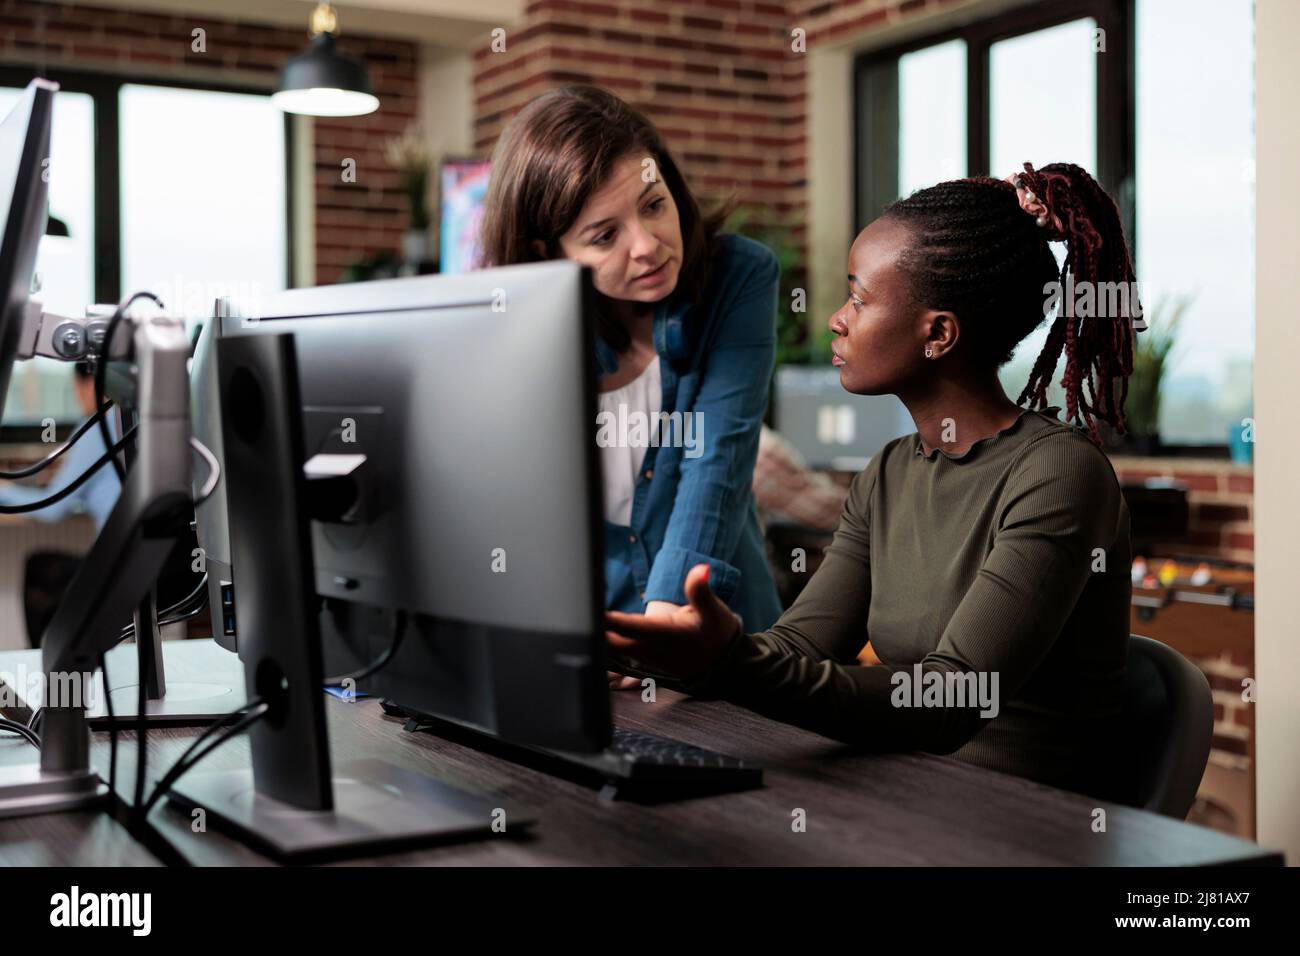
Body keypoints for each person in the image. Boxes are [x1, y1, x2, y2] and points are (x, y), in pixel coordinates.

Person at [604, 163, 1139, 802]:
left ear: (938, 333)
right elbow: (802, 644)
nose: (836, 319)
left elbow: (950, 699)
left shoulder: (1058, 475)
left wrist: (730, 665)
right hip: (913, 793)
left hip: (1028, 823)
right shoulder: (889, 472)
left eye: (859, 298)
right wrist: (672, 658)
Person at [479, 86, 785, 666]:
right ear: (550, 252)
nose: (647, 246)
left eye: (653, 204)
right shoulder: (516, 322)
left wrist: (664, 626)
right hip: (589, 643)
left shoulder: (737, 277)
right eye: (604, 235)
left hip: (713, 631)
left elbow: (715, 458)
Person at [0, 361, 119, 530]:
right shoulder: (120, 421)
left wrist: (4, 489)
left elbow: (52, 508)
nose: (77, 397)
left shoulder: (95, 427)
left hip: (112, 547)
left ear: (90, 383)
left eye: (76, 389)